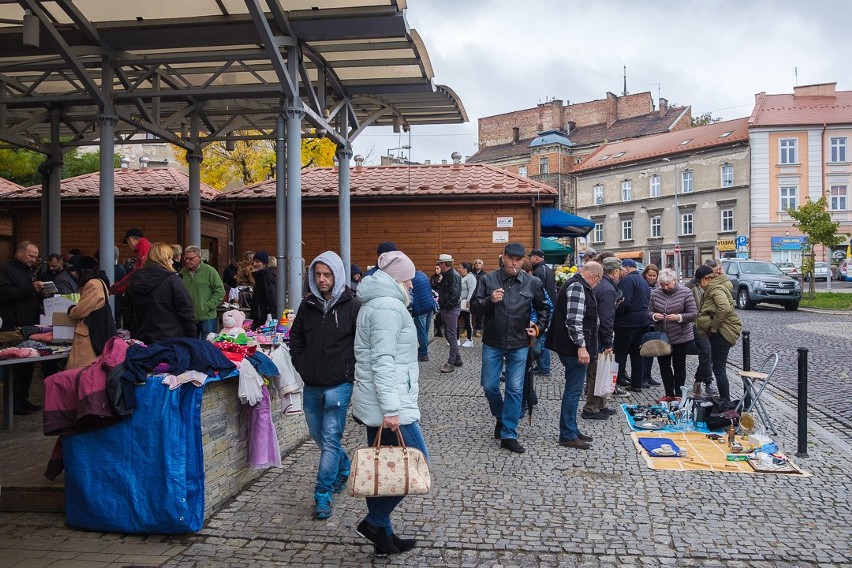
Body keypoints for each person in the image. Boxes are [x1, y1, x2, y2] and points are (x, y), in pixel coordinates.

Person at [352, 251, 426, 556]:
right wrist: (392, 409)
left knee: (382, 471)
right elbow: (383, 361)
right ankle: (374, 522)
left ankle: (383, 535)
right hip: (389, 405)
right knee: (417, 462)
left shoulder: (380, 303)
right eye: (408, 278)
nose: (411, 284)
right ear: (396, 278)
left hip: (381, 401)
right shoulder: (387, 307)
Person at [289, 251, 360, 521]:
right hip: (312, 383)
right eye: (317, 274)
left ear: (337, 275)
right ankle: (344, 466)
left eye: (327, 274)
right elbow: (295, 338)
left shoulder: (353, 304)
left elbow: (360, 342)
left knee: (330, 439)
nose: (322, 279)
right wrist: (301, 365)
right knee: (318, 437)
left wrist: (349, 369)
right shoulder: (307, 305)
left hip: (339, 384)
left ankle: (322, 493)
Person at [471, 242, 550, 454]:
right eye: (510, 258)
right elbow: (474, 306)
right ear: (503, 258)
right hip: (493, 342)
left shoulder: (533, 282)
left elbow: (545, 309)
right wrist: (490, 300)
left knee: (515, 389)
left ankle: (509, 433)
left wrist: (538, 328)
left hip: (520, 343)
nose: (514, 263)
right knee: (489, 386)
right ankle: (501, 416)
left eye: (518, 259)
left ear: (523, 260)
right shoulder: (488, 280)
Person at [547, 261, 603, 449]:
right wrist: (581, 346)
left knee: (574, 390)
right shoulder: (578, 287)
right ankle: (568, 434)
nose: (597, 284)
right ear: (595, 276)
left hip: (571, 347)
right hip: (573, 349)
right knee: (573, 391)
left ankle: (572, 429)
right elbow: (574, 321)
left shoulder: (575, 284)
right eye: (599, 280)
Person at [0, 241, 46, 415]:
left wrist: (40, 292)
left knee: (27, 363)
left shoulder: (27, 271)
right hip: (14, 325)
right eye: (30, 256)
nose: (33, 260)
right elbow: (4, 293)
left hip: (28, 324)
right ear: (19, 253)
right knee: (16, 364)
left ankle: (22, 399)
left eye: (35, 257)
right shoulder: (5, 270)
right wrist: (30, 288)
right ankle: (13, 402)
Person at [123, 242, 196, 344]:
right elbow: (186, 312)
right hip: (172, 341)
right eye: (170, 259)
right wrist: (191, 337)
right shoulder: (173, 280)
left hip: (142, 341)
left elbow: (127, 313)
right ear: (164, 260)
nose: (172, 262)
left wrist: (135, 330)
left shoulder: (134, 281)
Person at [648, 268, 698, 402]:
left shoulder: (686, 292)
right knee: (664, 366)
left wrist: (679, 317)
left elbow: (693, 314)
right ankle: (669, 393)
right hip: (662, 337)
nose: (665, 287)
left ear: (674, 281)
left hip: (681, 336)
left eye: (667, 284)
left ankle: (679, 395)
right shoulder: (655, 294)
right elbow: (647, 312)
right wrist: (654, 316)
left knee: (679, 366)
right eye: (662, 285)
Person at [582, 257, 622, 420]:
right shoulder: (607, 289)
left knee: (601, 371)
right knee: (597, 373)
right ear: (615, 272)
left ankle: (600, 405)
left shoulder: (601, 285)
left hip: (594, 335)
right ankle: (591, 408)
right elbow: (606, 319)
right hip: (598, 337)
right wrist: (608, 342)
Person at [695, 265, 742, 402]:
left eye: (699, 283)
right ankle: (724, 400)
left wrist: (714, 327)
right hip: (722, 331)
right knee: (717, 367)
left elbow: (724, 308)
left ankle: (725, 402)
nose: (700, 286)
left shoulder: (715, 288)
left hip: (723, 332)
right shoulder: (716, 286)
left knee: (719, 369)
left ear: (705, 279)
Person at [66, 257, 112, 369]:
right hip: (96, 332)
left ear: (84, 271)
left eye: (77, 271)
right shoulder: (99, 282)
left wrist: (71, 309)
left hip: (89, 334)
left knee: (81, 369)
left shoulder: (93, 284)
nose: (75, 274)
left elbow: (81, 311)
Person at [613, 259, 651, 393]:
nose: (621, 273)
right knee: (637, 353)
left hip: (627, 322)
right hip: (643, 320)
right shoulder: (643, 281)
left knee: (619, 353)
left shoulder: (628, 280)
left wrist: (615, 314)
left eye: (622, 270)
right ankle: (637, 383)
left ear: (627, 268)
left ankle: (615, 383)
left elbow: (624, 301)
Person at [688, 260, 723, 396]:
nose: (715, 277)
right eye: (713, 274)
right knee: (706, 352)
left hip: (710, 324)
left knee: (708, 354)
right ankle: (708, 382)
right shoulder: (692, 287)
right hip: (697, 325)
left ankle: (698, 380)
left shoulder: (714, 287)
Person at [180, 246, 226, 339]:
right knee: (192, 346)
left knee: (208, 345)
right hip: (189, 318)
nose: (188, 261)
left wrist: (208, 306)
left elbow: (220, 291)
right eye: (186, 258)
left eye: (191, 258)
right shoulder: (182, 272)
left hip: (207, 317)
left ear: (199, 258)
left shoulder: (210, 271)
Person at [529, 248, 556, 376]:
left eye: (531, 257)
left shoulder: (538, 271)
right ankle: (541, 366)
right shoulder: (548, 269)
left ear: (536, 258)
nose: (530, 259)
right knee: (541, 338)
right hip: (548, 307)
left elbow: (538, 292)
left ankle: (544, 367)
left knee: (541, 340)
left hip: (543, 309)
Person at [436, 253, 462, 372]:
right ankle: (456, 358)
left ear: (444, 264)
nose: (438, 266)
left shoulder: (452, 276)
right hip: (448, 308)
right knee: (449, 334)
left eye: (440, 264)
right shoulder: (448, 275)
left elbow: (454, 295)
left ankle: (451, 362)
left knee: (451, 335)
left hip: (450, 309)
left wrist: (446, 307)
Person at [111, 227, 152, 295]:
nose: (129, 246)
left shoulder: (144, 248)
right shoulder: (147, 246)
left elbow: (138, 274)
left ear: (130, 240)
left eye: (127, 243)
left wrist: (113, 289)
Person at [641, 264, 662, 388]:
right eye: (650, 275)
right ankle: (642, 376)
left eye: (654, 276)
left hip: (656, 323)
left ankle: (648, 375)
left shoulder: (658, 287)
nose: (652, 278)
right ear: (645, 275)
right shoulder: (643, 286)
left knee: (653, 351)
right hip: (646, 322)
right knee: (645, 351)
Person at [410, 268, 435, 362]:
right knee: (425, 331)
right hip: (430, 306)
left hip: (420, 308)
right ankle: (422, 350)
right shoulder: (423, 275)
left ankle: (423, 354)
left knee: (421, 332)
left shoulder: (411, 278)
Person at [249, 251, 277, 329]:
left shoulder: (266, 276)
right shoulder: (262, 276)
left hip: (263, 315)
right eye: (254, 262)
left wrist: (272, 316)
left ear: (264, 263)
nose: (254, 264)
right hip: (261, 313)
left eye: (257, 262)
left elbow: (272, 297)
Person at [458, 262, 476, 347]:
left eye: (460, 268)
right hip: (460, 303)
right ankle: (456, 339)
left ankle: (469, 339)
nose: (459, 269)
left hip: (466, 303)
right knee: (456, 321)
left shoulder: (471, 278)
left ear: (465, 269)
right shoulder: (463, 277)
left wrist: (469, 301)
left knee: (468, 321)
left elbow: (471, 290)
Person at [471, 258, 486, 336]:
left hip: (480, 296)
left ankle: (478, 330)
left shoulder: (485, 275)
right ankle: (467, 330)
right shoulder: (470, 274)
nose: (477, 264)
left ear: (482, 265)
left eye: (479, 263)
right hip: (470, 295)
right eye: (476, 263)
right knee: (467, 313)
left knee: (479, 314)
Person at [429, 265, 443, 337]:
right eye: (435, 269)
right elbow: (431, 285)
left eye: (437, 268)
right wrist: (438, 282)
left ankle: (440, 328)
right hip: (435, 296)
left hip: (442, 296)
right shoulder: (433, 277)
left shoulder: (444, 276)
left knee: (440, 314)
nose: (436, 270)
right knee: (436, 313)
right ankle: (438, 329)